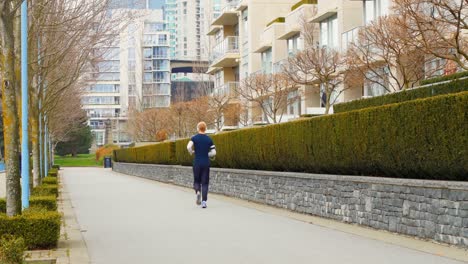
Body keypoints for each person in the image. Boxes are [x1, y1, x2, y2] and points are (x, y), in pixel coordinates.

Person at [187, 122, 216, 208]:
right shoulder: (209, 139)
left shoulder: (194, 138)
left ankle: (198, 191)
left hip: (197, 162)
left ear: (198, 128)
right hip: (206, 163)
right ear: (205, 128)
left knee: (197, 181)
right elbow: (214, 152)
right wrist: (206, 154)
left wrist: (191, 152)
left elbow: (188, 147)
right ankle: (204, 202)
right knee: (205, 183)